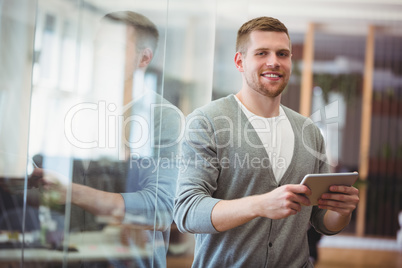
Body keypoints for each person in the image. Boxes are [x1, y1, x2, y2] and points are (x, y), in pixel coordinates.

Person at [174, 16, 359, 267]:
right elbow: (188, 212)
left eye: (282, 54)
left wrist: (341, 211)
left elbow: (321, 220)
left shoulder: (309, 131)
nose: (274, 61)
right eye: (262, 53)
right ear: (240, 61)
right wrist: (261, 204)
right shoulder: (207, 122)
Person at [33, 11, 183, 267]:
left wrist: (71, 193)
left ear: (143, 58)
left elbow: (160, 210)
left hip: (127, 261)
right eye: (98, 44)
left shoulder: (163, 118)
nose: (100, 54)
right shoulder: (75, 110)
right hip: (65, 257)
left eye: (114, 47)